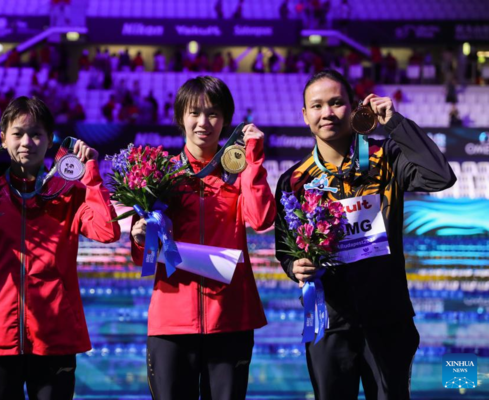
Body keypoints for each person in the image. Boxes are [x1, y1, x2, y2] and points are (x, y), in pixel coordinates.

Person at [275, 69, 456, 400]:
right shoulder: (294, 181)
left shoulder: (386, 157)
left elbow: (440, 177)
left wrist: (396, 124)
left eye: (336, 103)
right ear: (304, 115)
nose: (327, 113)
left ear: (354, 106)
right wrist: (294, 267)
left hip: (387, 318)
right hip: (328, 324)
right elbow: (285, 249)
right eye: (316, 106)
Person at [0, 97, 121, 400]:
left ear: (50, 140)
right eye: (18, 133)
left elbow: (107, 231)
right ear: (3, 139)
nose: (27, 141)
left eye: (36, 134)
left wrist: (91, 173)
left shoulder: (68, 194)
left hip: (55, 338)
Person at [130, 76, 275, 399]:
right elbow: (143, 259)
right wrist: (140, 238)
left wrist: (253, 162)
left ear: (225, 120)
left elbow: (261, 218)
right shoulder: (159, 174)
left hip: (231, 319)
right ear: (181, 117)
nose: (203, 122)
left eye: (213, 113)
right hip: (171, 322)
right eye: (194, 113)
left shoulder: (238, 174)